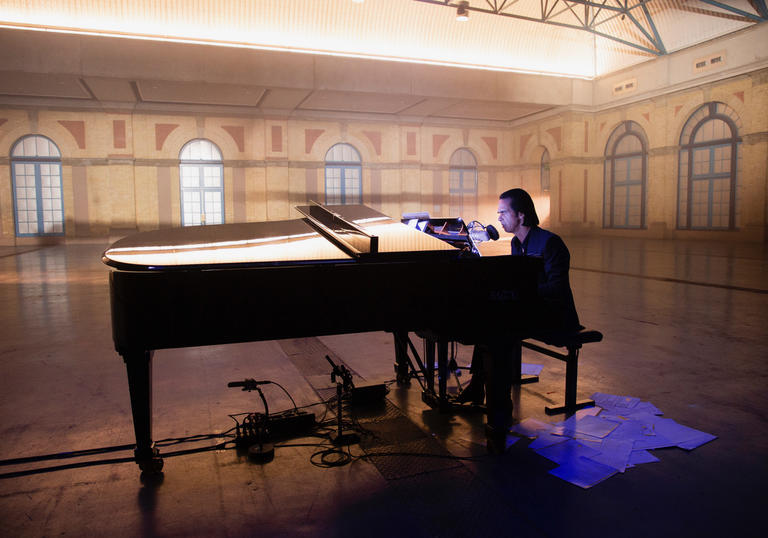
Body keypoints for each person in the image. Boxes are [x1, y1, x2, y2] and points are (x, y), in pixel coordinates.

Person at [455, 188, 581, 451]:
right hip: (532, 310)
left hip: (556, 316)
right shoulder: (516, 243)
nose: (498, 217)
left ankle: (498, 409)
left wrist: (523, 293)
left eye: (503, 212)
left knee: (499, 329)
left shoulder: (550, 243)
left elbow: (556, 289)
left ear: (521, 215)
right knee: (488, 319)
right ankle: (481, 388)